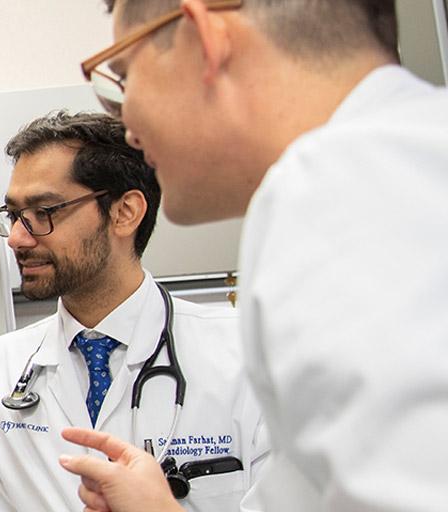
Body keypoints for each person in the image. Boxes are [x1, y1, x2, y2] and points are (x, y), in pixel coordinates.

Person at [60, 1, 448, 511]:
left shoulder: (334, 183)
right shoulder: (413, 150)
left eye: (126, 76)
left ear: (205, 38)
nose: (128, 127)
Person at [0, 111, 268, 511]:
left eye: (44, 213)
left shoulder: (247, 354)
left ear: (125, 213)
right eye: (15, 216)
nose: (16, 238)